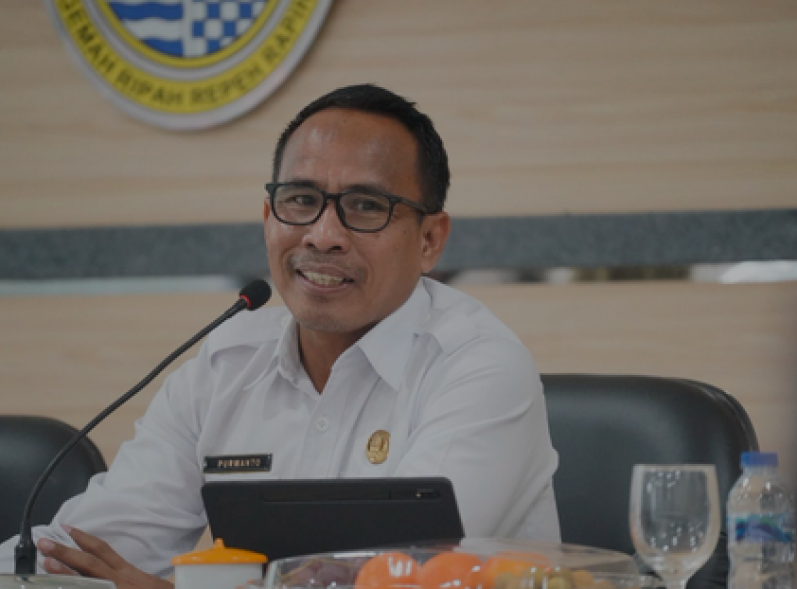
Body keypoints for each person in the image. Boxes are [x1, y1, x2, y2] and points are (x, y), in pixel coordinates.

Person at [0, 84, 559, 587]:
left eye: (366, 206)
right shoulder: (224, 367)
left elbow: (395, 579)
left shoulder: (478, 367)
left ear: (430, 240)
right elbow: (83, 551)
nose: (323, 235)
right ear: (269, 216)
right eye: (301, 200)